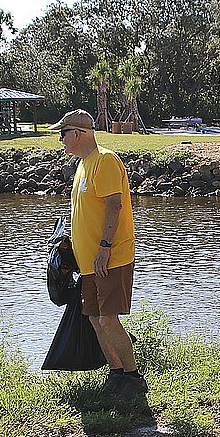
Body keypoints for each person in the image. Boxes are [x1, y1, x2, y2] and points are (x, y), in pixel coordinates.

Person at [50, 109, 147, 401]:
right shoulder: (83, 165)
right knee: (94, 318)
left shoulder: (104, 161)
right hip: (89, 263)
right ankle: (116, 374)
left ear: (78, 133)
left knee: (107, 318)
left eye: (63, 134)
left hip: (110, 257)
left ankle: (132, 378)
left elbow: (114, 207)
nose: (60, 140)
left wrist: (104, 247)